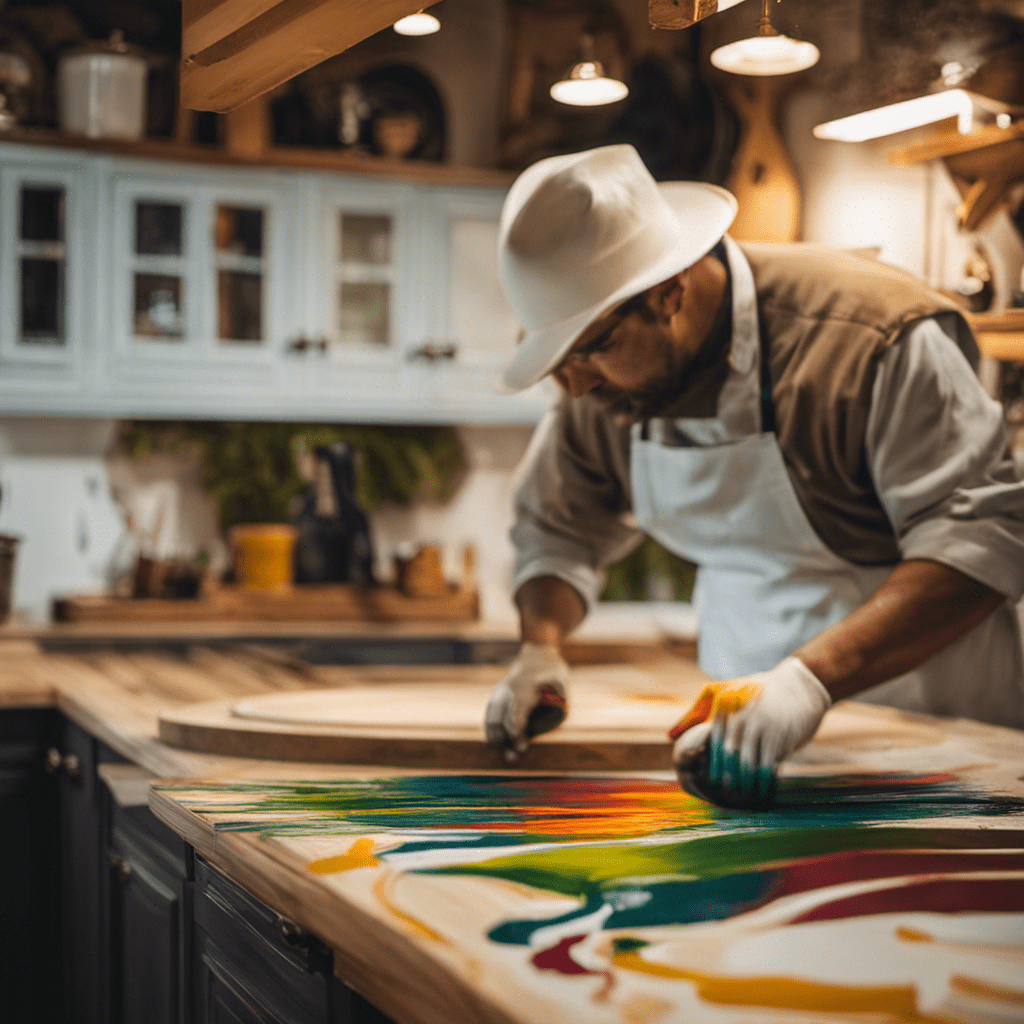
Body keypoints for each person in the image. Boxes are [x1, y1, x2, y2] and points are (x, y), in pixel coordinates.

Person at [483, 143, 1024, 805]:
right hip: (741, 729)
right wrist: (540, 649)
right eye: (555, 360)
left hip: (935, 721)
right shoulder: (604, 385)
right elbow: (559, 528)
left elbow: (981, 539)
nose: (572, 387)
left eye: (589, 348)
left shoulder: (868, 338)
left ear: (668, 290)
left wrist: (809, 681)